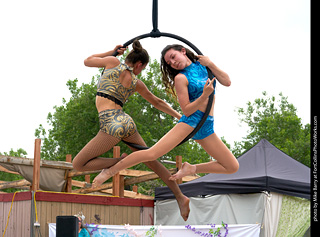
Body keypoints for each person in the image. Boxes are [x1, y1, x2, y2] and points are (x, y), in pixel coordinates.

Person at [92, 44, 239, 194]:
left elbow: (226, 81)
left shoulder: (203, 66)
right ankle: (109, 172)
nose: (173, 63)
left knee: (232, 166)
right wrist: (204, 96)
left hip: (207, 125)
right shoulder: (181, 78)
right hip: (192, 121)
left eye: (173, 57)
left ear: (183, 51)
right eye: (169, 63)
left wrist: (211, 64)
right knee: (152, 153)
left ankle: (191, 168)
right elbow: (187, 110)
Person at [72, 40, 190, 221]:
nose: (139, 72)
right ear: (139, 64)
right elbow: (158, 102)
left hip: (110, 124)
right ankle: (181, 198)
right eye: (141, 69)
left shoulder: (112, 63)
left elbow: (88, 60)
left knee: (78, 164)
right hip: (125, 121)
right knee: (152, 160)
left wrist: (112, 52)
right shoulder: (136, 82)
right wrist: (179, 115)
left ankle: (119, 161)